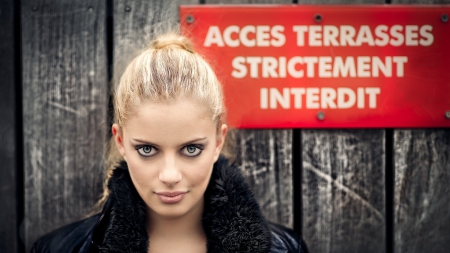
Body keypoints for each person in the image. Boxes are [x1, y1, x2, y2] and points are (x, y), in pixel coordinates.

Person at [31, 33, 308, 253]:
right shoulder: (57, 248)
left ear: (218, 142)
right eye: (147, 149)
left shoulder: (284, 249)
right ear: (121, 142)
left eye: (191, 149)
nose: (170, 176)